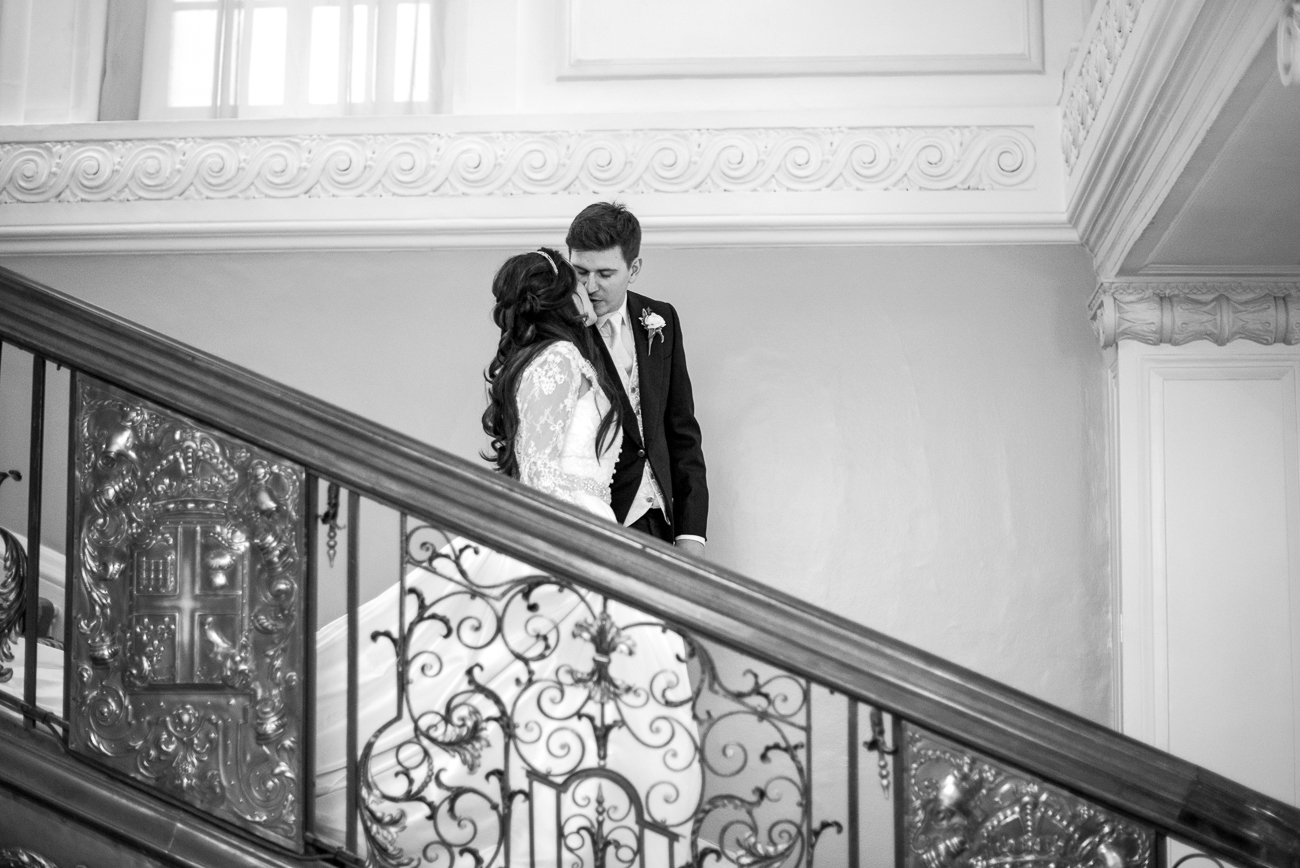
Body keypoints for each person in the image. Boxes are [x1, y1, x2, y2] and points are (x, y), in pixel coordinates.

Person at [314, 248, 700, 868]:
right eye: (577, 280)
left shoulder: (554, 357)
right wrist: (575, 553)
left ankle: (579, 832)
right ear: (559, 298)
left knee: (571, 689)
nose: (589, 289)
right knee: (565, 685)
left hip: (591, 526)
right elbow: (546, 478)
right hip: (570, 533)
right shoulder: (559, 360)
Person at [567, 203, 708, 557]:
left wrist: (691, 533)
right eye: (580, 271)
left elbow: (682, 431)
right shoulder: (559, 331)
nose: (590, 286)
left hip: (660, 521)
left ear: (634, 269)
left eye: (605, 273)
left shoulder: (662, 318)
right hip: (594, 521)